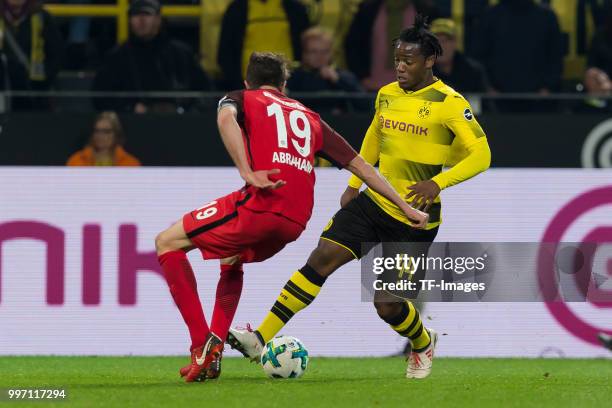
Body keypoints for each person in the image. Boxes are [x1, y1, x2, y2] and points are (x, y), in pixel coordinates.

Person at [228, 16, 491, 380]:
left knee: (388, 306)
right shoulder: (387, 94)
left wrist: (440, 183)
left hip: (415, 215)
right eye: (397, 59)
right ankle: (260, 337)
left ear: (430, 61)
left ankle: (422, 341)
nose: (400, 67)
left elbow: (483, 154)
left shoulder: (450, 102)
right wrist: (354, 184)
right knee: (321, 258)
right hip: (374, 203)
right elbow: (374, 137)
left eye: (408, 61)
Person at [154, 52, 428, 383]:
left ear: (247, 82)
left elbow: (225, 120)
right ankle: (213, 354)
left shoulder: (240, 98)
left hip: (262, 204)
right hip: (296, 221)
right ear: (284, 86)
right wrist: (406, 206)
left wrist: (247, 171)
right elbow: (362, 166)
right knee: (231, 255)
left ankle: (202, 346)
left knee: (167, 242)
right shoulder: (311, 117)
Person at [92, 0, 211, 113]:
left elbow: (206, 93)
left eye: (147, 14)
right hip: (132, 125)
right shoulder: (117, 57)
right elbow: (100, 98)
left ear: (158, 19)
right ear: (130, 20)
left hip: (179, 124)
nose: (141, 20)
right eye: (136, 15)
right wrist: (131, 107)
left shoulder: (181, 53)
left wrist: (183, 110)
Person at [471, 0, 563, 111]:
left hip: (539, 102)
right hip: (497, 102)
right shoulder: (490, 15)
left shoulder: (547, 16)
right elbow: (478, 58)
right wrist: (488, 88)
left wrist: (548, 88)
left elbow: (556, 57)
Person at [217, 0, 310, 90]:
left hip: (290, 83)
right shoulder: (236, 8)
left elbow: (308, 46)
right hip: (247, 83)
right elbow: (226, 50)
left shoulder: (295, 8)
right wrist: (236, 83)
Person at [0, 0, 63, 111]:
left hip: (34, 90)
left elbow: (56, 53)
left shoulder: (41, 16)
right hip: (3, 88)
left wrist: (44, 80)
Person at [287, 27, 363, 113]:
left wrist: (338, 80)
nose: (320, 56)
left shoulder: (343, 77)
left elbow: (365, 104)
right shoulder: (293, 77)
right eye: (314, 51)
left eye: (325, 51)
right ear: (304, 53)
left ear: (331, 53)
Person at [431, 18, 489, 94]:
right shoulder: (420, 72)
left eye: (446, 40)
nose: (441, 45)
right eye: (436, 41)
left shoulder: (473, 71)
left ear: (455, 42)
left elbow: (484, 104)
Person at [66, 111, 141, 166]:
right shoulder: (76, 161)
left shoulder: (130, 163)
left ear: (116, 134)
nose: (100, 135)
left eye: (106, 131)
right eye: (97, 131)